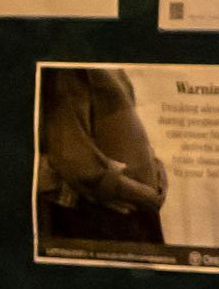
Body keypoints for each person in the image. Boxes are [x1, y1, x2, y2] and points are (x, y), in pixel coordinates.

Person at [37, 65, 170, 251]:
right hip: (103, 216)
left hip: (134, 215)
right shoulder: (70, 70)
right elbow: (71, 156)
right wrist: (140, 194)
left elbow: (123, 130)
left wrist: (156, 168)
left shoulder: (113, 68)